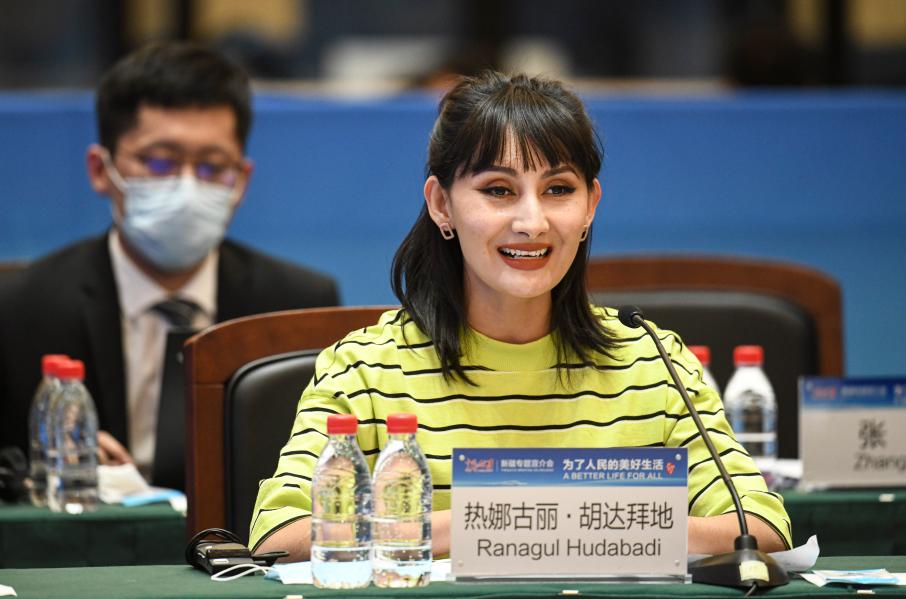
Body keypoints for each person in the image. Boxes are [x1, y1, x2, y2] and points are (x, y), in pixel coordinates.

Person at [249, 72, 791, 560]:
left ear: (590, 206)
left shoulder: (655, 363)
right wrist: (501, 524)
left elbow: (762, 527)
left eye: (558, 190)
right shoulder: (365, 369)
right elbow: (280, 534)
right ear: (441, 205)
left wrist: (549, 524)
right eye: (498, 190)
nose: (532, 222)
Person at [0, 41, 339, 479]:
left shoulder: (299, 307)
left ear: (241, 180)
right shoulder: (19, 308)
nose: (186, 187)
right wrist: (42, 466)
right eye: (160, 163)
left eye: (212, 167)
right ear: (101, 170)